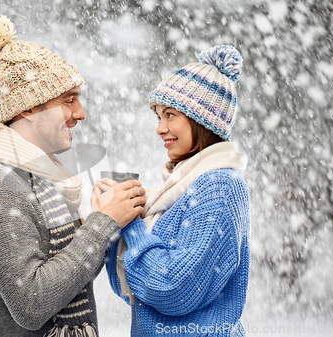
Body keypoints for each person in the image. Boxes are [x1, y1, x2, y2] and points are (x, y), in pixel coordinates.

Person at [0, 16, 146, 337]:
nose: (81, 113)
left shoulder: (41, 177)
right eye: (68, 100)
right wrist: (101, 224)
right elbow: (32, 302)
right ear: (29, 108)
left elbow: (66, 277)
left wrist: (107, 219)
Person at [103, 45, 251, 336]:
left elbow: (173, 289)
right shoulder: (178, 189)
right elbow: (136, 290)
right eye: (158, 117)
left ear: (201, 119)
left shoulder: (220, 186)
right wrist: (111, 220)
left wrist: (132, 225)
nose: (160, 128)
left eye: (170, 115)